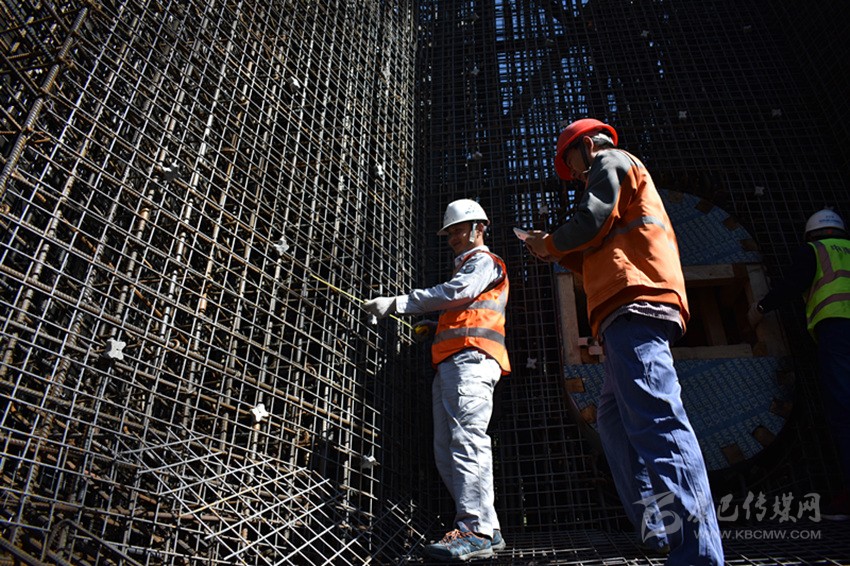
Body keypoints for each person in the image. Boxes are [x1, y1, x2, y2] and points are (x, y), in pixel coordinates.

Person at [524, 118, 724, 564]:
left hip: (635, 302)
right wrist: (552, 250)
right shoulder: (614, 184)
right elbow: (594, 250)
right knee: (614, 423)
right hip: (620, 309)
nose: (576, 175)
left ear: (586, 145)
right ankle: (660, 530)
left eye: (572, 164)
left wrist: (551, 243)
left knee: (658, 422)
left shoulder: (611, 159)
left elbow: (591, 221)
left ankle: (698, 552)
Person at [364, 199, 510, 562]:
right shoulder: (470, 268)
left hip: (471, 360)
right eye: (450, 233)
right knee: (446, 450)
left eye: (459, 230)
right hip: (452, 363)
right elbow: (464, 307)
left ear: (479, 228)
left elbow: (456, 292)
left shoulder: (483, 261)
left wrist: (398, 303)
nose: (454, 239)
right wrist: (436, 324)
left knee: (467, 443)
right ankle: (487, 529)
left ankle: (474, 531)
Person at [750, 208, 850, 520]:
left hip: (838, 330)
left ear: (810, 233)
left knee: (844, 411)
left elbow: (793, 284)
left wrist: (761, 307)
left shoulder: (814, 251)